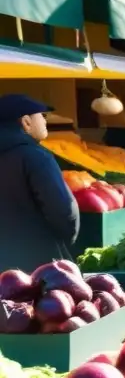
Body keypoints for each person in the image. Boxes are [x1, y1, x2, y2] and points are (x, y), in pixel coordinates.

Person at [0, 95, 79, 271]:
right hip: (38, 263)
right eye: (42, 116)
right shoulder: (35, 156)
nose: (45, 121)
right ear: (26, 122)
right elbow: (64, 211)